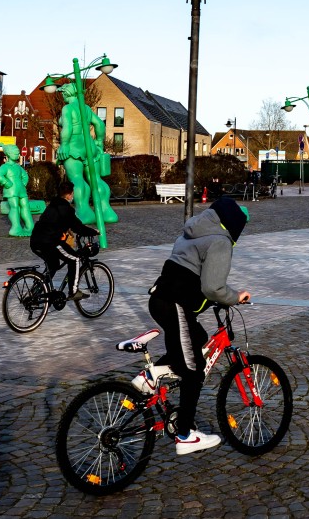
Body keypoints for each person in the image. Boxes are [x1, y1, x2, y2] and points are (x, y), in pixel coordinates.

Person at [133, 196, 252, 455]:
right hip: (176, 305)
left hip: (160, 299)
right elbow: (212, 287)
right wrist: (235, 296)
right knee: (194, 370)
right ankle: (185, 434)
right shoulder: (221, 242)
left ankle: (150, 377)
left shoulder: (193, 231)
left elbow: (194, 275)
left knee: (196, 338)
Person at [57, 82, 118, 226]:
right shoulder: (86, 108)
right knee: (95, 179)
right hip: (90, 147)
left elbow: (68, 128)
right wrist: (99, 142)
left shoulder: (68, 108)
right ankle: (105, 211)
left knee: (77, 179)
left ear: (67, 93)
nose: (62, 96)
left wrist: (64, 144)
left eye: (63, 93)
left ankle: (84, 211)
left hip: (74, 147)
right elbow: (100, 125)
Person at [31, 180, 98, 300]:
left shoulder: (52, 205)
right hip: (50, 242)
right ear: (69, 194)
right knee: (75, 259)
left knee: (54, 265)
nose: (72, 196)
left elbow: (52, 222)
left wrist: (65, 229)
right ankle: (73, 291)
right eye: (72, 194)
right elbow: (78, 227)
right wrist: (94, 232)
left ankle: (38, 291)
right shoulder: (66, 208)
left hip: (36, 240)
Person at [0, 143, 33, 237]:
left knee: (25, 206)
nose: (16, 153)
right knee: (14, 207)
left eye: (17, 152)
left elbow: (25, 175)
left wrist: (23, 184)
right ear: (8, 154)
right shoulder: (5, 167)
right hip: (11, 190)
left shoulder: (18, 167)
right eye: (14, 152)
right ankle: (16, 228)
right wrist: (5, 183)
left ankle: (30, 227)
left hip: (21, 190)